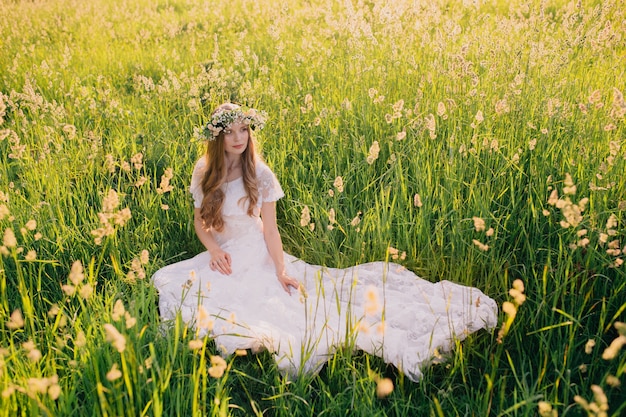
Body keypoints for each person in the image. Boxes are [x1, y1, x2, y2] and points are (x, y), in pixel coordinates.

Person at [152, 103, 498, 382]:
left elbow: (270, 231)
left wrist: (281, 269)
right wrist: (212, 249)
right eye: (230, 131)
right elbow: (200, 220)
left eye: (244, 129)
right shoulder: (204, 170)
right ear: (218, 137)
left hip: (256, 250)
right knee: (180, 288)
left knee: (292, 307)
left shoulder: (261, 173)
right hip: (224, 251)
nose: (239, 137)